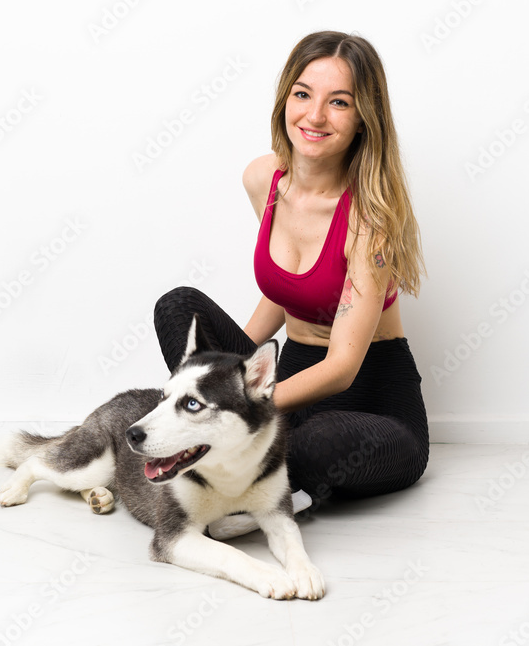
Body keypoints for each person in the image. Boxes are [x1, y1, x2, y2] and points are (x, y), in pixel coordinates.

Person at [153, 30, 429, 539]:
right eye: (303, 94)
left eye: (339, 102)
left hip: (371, 402)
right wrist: (230, 376)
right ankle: (223, 449)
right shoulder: (264, 179)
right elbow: (285, 290)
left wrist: (239, 404)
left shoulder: (371, 220)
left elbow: (343, 368)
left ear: (364, 117)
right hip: (286, 380)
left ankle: (270, 484)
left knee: (317, 442)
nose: (315, 116)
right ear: (285, 99)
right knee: (178, 307)